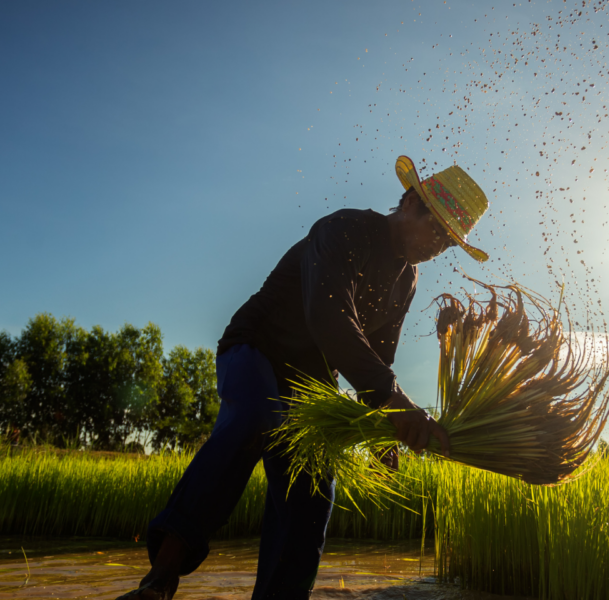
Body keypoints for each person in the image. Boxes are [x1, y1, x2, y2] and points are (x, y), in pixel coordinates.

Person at [117, 156, 491, 600]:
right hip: (256, 348)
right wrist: (395, 401)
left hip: (309, 383)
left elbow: (380, 356)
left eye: (448, 242)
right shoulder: (344, 229)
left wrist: (383, 434)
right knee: (253, 418)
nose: (438, 247)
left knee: (314, 492)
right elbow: (328, 318)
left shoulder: (406, 282)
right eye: (436, 230)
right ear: (410, 202)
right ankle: (160, 579)